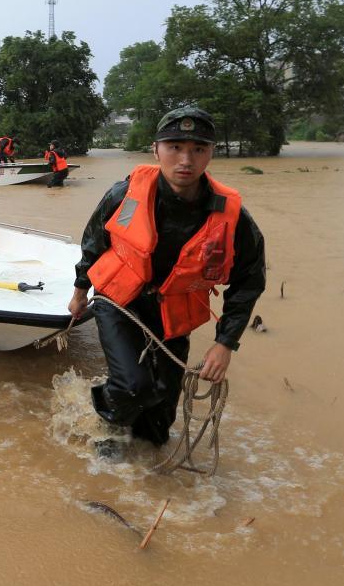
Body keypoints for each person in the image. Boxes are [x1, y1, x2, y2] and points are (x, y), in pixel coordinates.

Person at [67, 106, 265, 449]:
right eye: (174, 147)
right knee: (133, 386)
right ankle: (107, 431)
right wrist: (80, 290)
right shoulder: (124, 193)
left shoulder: (231, 216)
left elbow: (250, 279)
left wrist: (225, 343)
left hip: (173, 311)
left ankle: (146, 460)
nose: (185, 159)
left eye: (198, 149)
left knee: (160, 422)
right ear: (156, 149)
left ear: (210, 154)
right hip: (120, 301)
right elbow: (93, 240)